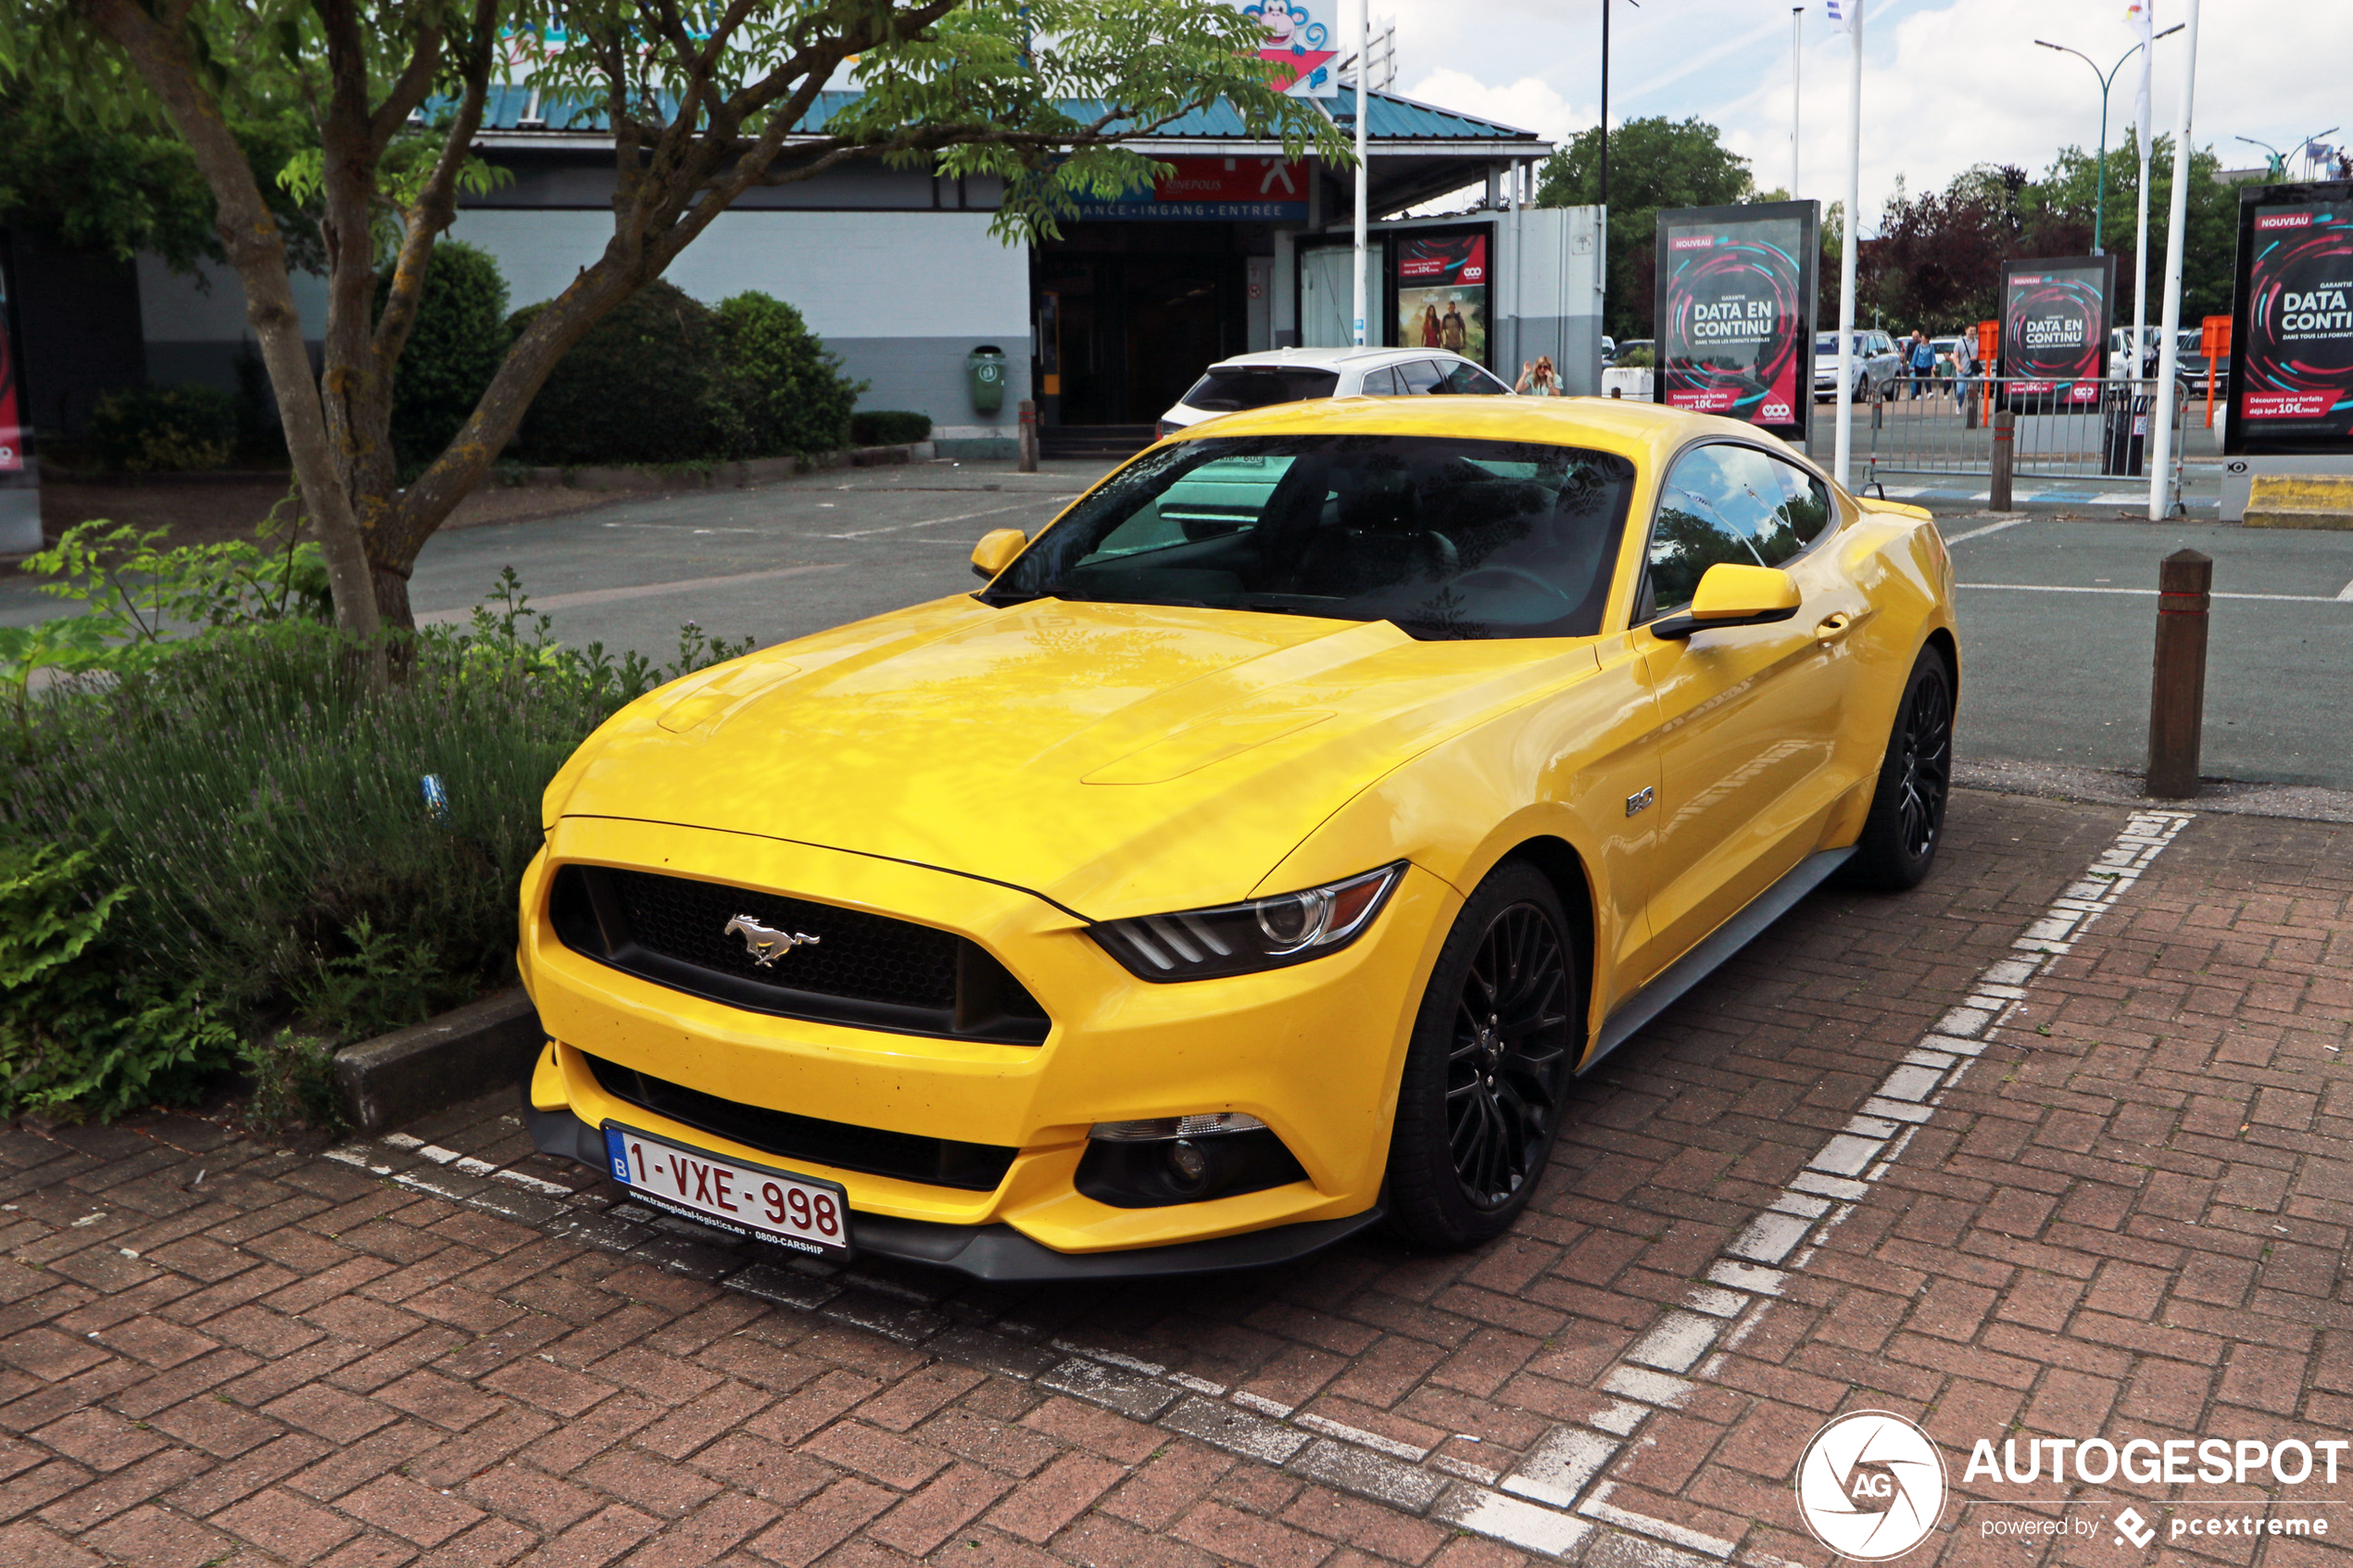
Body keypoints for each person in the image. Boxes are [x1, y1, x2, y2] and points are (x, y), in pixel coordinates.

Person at [1906, 331, 1935, 400]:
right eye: (1921, 338)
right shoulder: (1919, 346)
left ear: (1927, 339)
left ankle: (1929, 392)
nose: (1922, 340)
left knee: (1927, 379)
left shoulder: (1931, 347)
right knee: (1918, 380)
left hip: (1927, 365)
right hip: (1918, 365)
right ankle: (1918, 394)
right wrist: (1912, 366)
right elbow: (1915, 356)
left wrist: (1934, 365)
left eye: (1923, 338)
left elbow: (1933, 357)